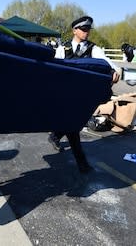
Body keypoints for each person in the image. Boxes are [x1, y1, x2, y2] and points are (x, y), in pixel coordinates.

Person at [49, 16, 120, 173]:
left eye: (88, 29)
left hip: (83, 95)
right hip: (65, 94)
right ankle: (82, 163)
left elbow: (108, 62)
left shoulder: (94, 49)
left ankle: (55, 136)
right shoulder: (63, 49)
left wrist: (115, 71)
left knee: (73, 123)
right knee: (73, 126)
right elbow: (52, 68)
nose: (87, 32)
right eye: (83, 29)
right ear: (75, 30)